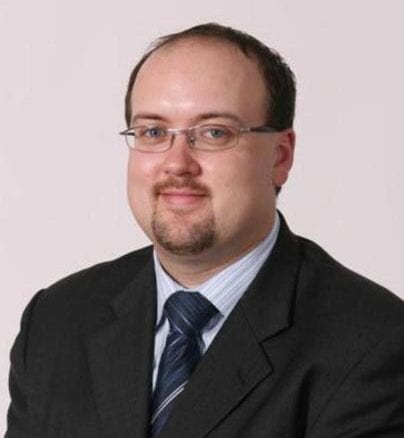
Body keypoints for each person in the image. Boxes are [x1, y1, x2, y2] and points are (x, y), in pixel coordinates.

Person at [6, 23, 404, 438]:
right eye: (153, 132)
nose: (177, 164)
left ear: (280, 156)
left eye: (214, 133)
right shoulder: (56, 321)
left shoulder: (374, 343)